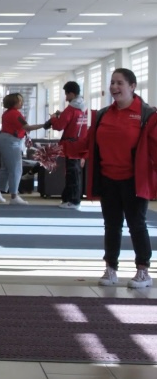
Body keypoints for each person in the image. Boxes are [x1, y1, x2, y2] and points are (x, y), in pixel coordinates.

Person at [68, 68, 155, 288]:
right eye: (112, 83)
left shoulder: (147, 115)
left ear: (132, 86)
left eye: (119, 83)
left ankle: (143, 271)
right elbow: (88, 143)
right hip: (108, 178)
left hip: (134, 179)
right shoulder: (104, 114)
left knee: (137, 224)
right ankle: (110, 268)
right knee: (112, 225)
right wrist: (64, 149)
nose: (114, 87)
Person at [0, 93, 45, 205]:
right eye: (20, 100)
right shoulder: (15, 114)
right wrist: (44, 125)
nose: (22, 102)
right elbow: (27, 127)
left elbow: (22, 128)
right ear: (13, 102)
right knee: (16, 168)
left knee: (5, 168)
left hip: (6, 140)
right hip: (10, 142)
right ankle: (14, 196)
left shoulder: (8, 113)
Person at [42, 81, 88, 209]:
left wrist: (53, 118)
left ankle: (73, 201)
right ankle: (69, 199)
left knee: (71, 174)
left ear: (72, 94)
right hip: (80, 144)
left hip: (71, 146)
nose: (66, 98)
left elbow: (59, 126)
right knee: (75, 173)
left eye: (66, 95)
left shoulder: (71, 109)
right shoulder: (84, 108)